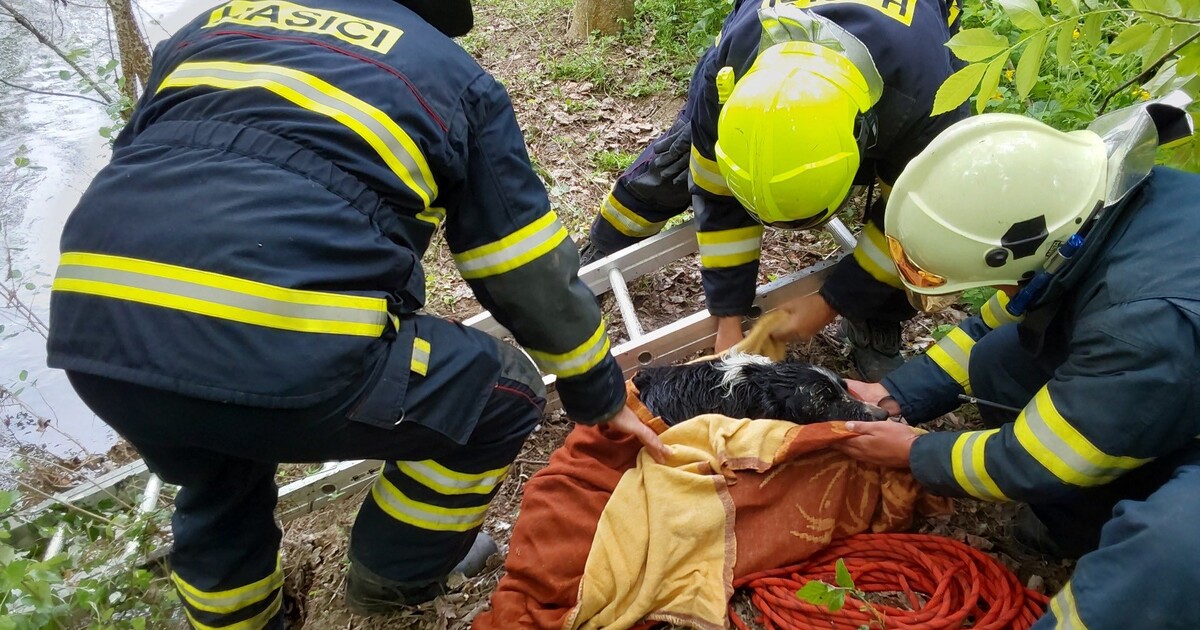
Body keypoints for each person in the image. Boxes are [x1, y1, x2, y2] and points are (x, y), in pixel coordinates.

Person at [45, 0, 668, 627]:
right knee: (498, 395)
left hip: (96, 333)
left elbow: (146, 164)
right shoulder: (450, 76)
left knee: (216, 458)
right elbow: (518, 262)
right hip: (287, 346)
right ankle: (395, 576)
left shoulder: (208, 28)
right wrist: (598, 391)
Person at [822, 107, 1200, 628]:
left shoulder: (1140, 323)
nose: (999, 294)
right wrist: (895, 394)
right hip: (1172, 377)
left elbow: (1037, 460)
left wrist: (916, 452)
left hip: (1170, 373)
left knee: (1168, 555)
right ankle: (1081, 528)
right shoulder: (1091, 216)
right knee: (1000, 358)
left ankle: (1124, 550)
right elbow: (992, 327)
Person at [579, 0, 968, 379]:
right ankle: (608, 241)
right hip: (763, 65)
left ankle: (878, 320)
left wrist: (831, 302)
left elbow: (910, 220)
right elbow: (717, 196)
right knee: (679, 162)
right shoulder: (728, 73)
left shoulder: (929, 98)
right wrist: (728, 316)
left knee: (917, 236)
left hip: (907, 69)